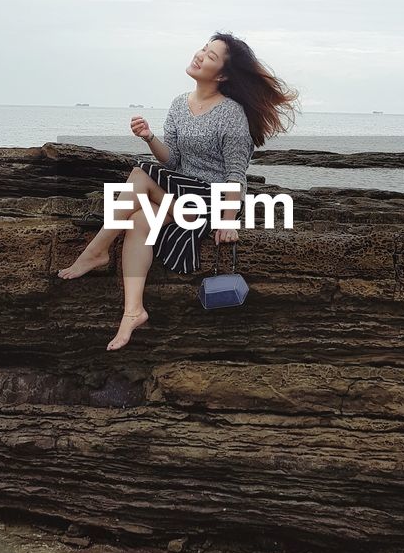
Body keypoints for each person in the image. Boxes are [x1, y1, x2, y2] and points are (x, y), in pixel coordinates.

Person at [57, 31, 299, 351]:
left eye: (210, 56)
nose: (200, 55)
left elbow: (235, 174)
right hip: (179, 192)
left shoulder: (231, 114)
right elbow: (172, 161)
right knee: (141, 221)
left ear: (223, 74)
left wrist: (227, 220)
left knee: (140, 174)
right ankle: (133, 311)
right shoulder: (178, 104)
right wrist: (149, 137)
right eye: (203, 49)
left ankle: (96, 250)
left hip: (208, 201)